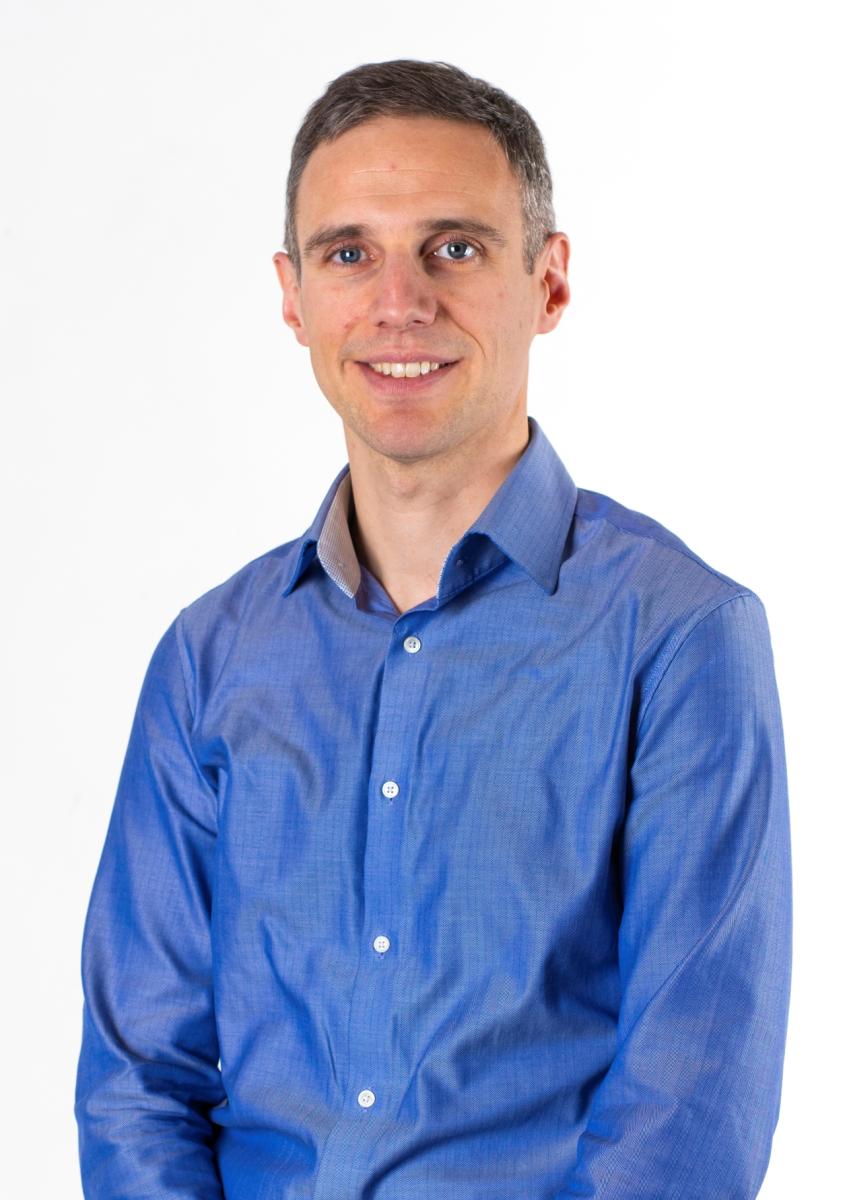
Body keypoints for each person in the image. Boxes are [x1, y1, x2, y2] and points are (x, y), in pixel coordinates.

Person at [74, 59, 791, 1200]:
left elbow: (690, 1107)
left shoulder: (679, 635)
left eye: (452, 248)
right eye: (348, 253)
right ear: (291, 294)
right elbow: (137, 1082)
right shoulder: (211, 657)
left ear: (547, 283)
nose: (397, 304)